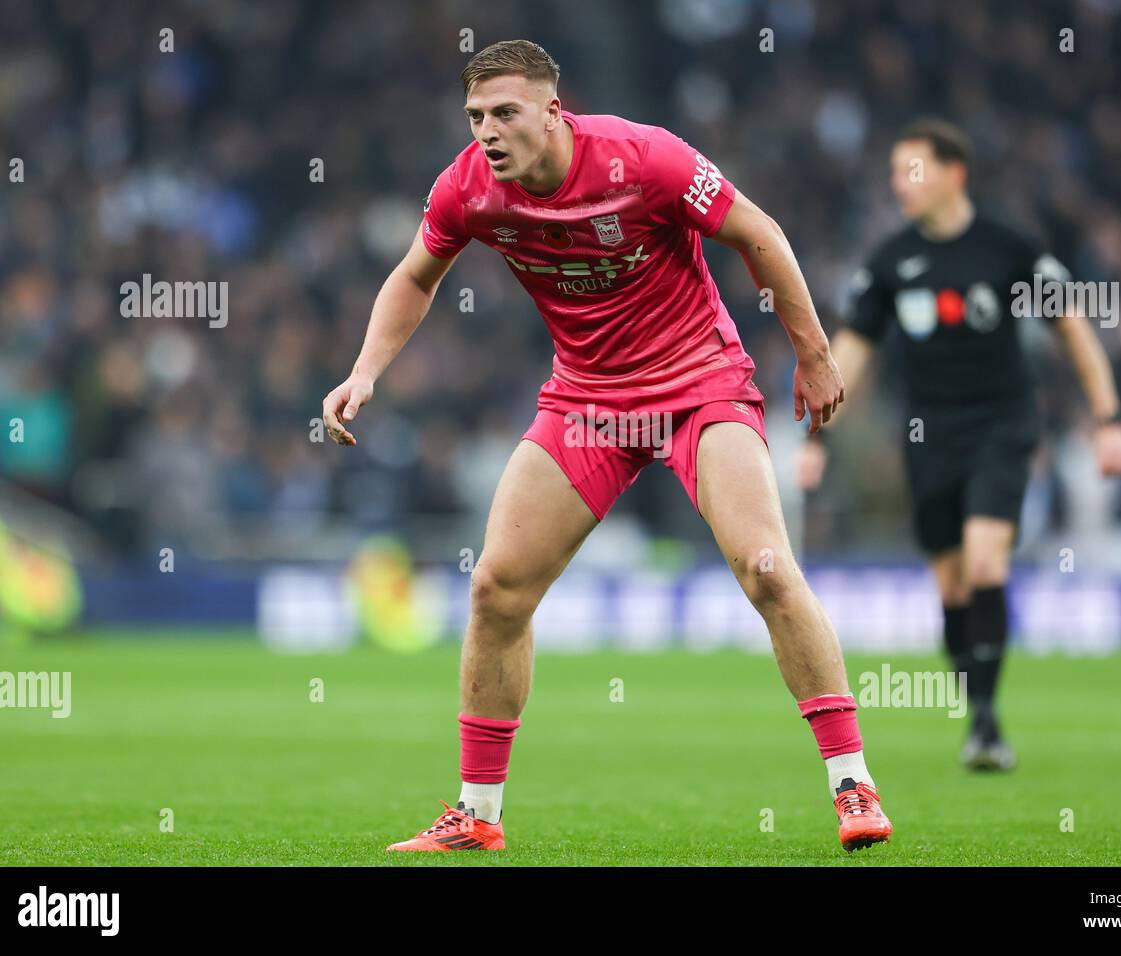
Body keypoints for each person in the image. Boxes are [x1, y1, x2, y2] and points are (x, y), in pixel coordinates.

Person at [322, 39, 892, 853]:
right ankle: (478, 815)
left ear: (554, 113)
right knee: (495, 589)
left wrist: (814, 350)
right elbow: (417, 275)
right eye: (476, 116)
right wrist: (366, 371)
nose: (487, 131)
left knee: (766, 568)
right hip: (588, 401)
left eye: (505, 113)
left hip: (700, 385)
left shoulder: (646, 157)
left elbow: (757, 232)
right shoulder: (468, 188)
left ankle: (852, 784)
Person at [806, 118, 1121, 770]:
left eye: (913, 169)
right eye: (896, 172)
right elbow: (850, 352)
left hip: (1003, 425)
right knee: (953, 587)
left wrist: (1109, 417)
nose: (900, 183)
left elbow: (1072, 327)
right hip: (929, 436)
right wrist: (817, 433)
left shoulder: (1009, 249)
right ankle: (979, 709)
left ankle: (985, 725)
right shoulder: (891, 260)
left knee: (987, 564)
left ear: (955, 174)